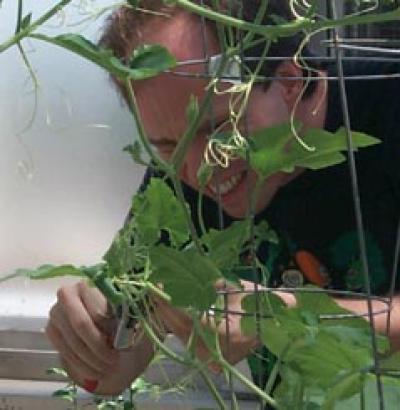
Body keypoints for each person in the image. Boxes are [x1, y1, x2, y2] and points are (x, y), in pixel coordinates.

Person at [46, 0, 400, 396]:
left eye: (216, 129)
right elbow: (113, 373)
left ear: (289, 82)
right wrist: (92, 335)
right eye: (164, 145)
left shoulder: (390, 104)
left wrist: (279, 317)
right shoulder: (179, 172)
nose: (198, 168)